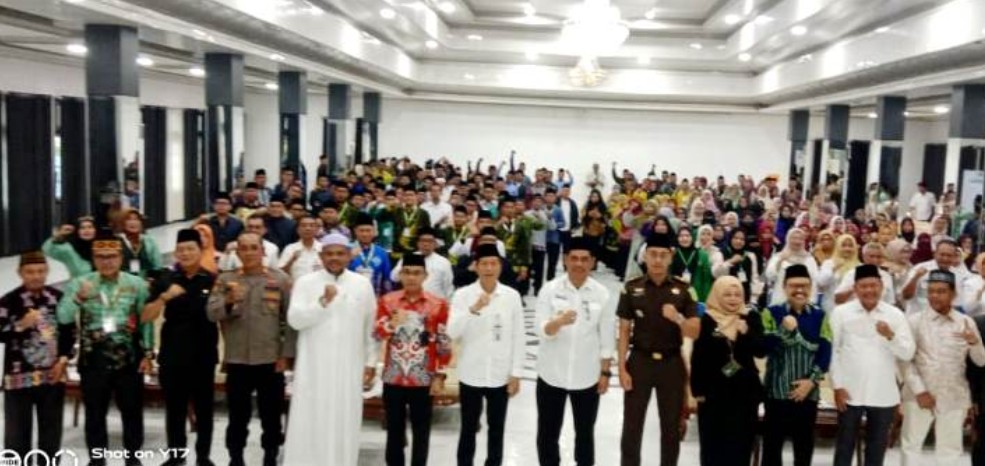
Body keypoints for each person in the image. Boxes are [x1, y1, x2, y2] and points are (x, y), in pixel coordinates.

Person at [57, 233, 154, 466]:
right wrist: (78, 298)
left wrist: (149, 353)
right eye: (101, 257)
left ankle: (133, 459)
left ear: (120, 257)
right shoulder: (81, 283)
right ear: (93, 258)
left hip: (129, 357)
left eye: (111, 256)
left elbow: (146, 321)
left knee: (132, 411)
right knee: (95, 413)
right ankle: (97, 460)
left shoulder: (136, 284)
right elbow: (63, 317)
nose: (106, 261)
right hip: (93, 358)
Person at [284, 233, 378, 466]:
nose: (335, 258)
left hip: (349, 366)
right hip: (313, 367)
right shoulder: (306, 283)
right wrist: (322, 303)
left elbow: (370, 327)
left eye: (340, 253)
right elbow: (295, 320)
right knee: (310, 416)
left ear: (349, 256)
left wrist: (371, 362)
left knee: (345, 416)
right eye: (329, 253)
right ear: (321, 255)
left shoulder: (362, 284)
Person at [207, 232, 296, 466]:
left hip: (270, 360)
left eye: (253, 248)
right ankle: (235, 458)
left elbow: (291, 321)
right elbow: (211, 313)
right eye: (243, 248)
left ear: (263, 251)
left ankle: (270, 456)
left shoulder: (280, 280)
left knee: (271, 416)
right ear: (237, 253)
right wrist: (228, 300)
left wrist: (286, 356)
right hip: (238, 360)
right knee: (237, 416)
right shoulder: (226, 280)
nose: (249, 253)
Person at [617, 232, 701, 466]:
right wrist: (622, 368)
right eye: (653, 254)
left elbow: (695, 331)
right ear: (645, 256)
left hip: (671, 364)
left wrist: (679, 319)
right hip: (639, 361)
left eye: (663, 255)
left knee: (671, 427)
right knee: (632, 425)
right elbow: (624, 330)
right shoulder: (631, 288)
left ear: (671, 257)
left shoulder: (685, 290)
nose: (657, 260)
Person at [140, 229, 218, 466]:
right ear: (175, 252)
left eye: (190, 249)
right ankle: (176, 456)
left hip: (204, 354)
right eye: (181, 249)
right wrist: (164, 297)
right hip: (173, 355)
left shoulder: (212, 279)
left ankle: (203, 457)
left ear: (200, 251)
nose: (185, 253)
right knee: (175, 409)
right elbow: (145, 316)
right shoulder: (166, 279)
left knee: (204, 410)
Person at [534, 237, 614, 466]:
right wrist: (557, 322)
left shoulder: (602, 294)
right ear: (565, 260)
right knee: (547, 432)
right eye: (574, 258)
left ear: (593, 262)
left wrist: (605, 372)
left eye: (584, 259)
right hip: (551, 374)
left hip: (587, 376)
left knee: (585, 433)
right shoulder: (549, 290)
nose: (579, 264)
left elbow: (607, 336)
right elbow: (540, 329)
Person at [830, 264, 916, 466]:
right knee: (844, 447)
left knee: (876, 449)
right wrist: (837, 386)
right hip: (849, 391)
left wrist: (890, 335)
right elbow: (833, 351)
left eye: (874, 285)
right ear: (855, 288)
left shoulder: (895, 314)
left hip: (883, 392)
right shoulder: (841, 312)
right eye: (864, 286)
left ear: (882, 286)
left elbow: (908, 352)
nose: (869, 290)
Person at [448, 244, 525, 466]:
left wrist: (516, 373)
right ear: (476, 266)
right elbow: (452, 331)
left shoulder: (511, 296)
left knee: (497, 428)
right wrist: (473, 309)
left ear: (500, 266)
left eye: (493, 263)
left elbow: (519, 335)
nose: (489, 268)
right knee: (468, 427)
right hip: (471, 372)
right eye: (484, 264)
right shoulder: (463, 295)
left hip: (500, 374)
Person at [900, 269, 985, 466]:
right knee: (911, 446)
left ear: (953, 294)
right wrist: (920, 391)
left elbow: (981, 361)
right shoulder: (915, 321)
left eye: (941, 291)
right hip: (919, 396)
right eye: (931, 291)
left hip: (954, 396)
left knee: (950, 450)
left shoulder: (966, 322)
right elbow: (904, 360)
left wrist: (974, 342)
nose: (935, 296)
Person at [375, 252, 452, 466]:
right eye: (407, 272)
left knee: (421, 430)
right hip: (394, 376)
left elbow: (444, 342)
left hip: (423, 378)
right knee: (394, 430)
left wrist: (440, 375)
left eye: (417, 273)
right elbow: (377, 333)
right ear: (400, 274)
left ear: (425, 276)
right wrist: (392, 324)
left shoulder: (438, 304)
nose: (411, 277)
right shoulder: (388, 301)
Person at [0, 251, 73, 462]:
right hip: (18, 378)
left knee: (51, 435)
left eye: (40, 271)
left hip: (52, 375)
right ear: (20, 273)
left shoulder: (59, 298)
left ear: (47, 271)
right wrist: (21, 325)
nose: (36, 276)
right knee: (16, 436)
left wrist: (63, 360)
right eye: (30, 272)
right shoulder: (8, 301)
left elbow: (69, 333)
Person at [760, 264, 831, 466]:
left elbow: (825, 352)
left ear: (811, 288)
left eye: (804, 286)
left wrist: (810, 382)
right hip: (776, 392)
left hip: (808, 393)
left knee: (804, 447)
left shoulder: (819, 316)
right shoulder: (770, 313)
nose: (800, 290)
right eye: (794, 286)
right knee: (772, 447)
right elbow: (765, 348)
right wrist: (783, 329)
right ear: (784, 287)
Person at [691, 276, 765, 466]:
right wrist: (697, 390)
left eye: (737, 294)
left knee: (741, 446)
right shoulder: (707, 319)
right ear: (717, 295)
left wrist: (747, 332)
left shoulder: (750, 317)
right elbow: (699, 356)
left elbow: (760, 350)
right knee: (713, 446)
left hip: (745, 393)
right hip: (714, 392)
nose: (733, 299)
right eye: (727, 294)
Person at [902, 238, 966, 314]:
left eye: (949, 255)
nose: (945, 258)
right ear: (935, 254)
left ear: (954, 257)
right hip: (918, 317)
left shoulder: (957, 275)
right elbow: (906, 296)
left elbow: (957, 303)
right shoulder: (919, 269)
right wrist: (916, 278)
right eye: (942, 254)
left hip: (942, 318)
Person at [390, 227, 455, 299]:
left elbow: (448, 288)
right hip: (412, 302)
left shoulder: (443, 262)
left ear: (435, 244)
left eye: (429, 241)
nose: (426, 244)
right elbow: (394, 278)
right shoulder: (409, 258)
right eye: (423, 240)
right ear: (418, 243)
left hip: (436, 303)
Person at [765, 228, 819, 306]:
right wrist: (780, 261)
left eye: (800, 238)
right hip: (781, 299)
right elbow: (770, 276)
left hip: (804, 300)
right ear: (788, 239)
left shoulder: (809, 259)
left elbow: (814, 281)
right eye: (794, 238)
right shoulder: (778, 256)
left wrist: (811, 300)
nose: (797, 241)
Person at [833, 242, 896, 306]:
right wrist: (854, 288)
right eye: (871, 256)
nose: (875, 260)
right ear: (864, 257)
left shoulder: (886, 276)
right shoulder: (852, 274)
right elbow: (837, 299)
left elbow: (890, 302)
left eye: (879, 257)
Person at [349, 212, 393, 295]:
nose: (365, 234)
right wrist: (349, 258)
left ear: (374, 232)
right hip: (350, 296)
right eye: (361, 231)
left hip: (375, 297)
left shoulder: (382, 253)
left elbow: (386, 279)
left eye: (368, 230)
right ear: (355, 231)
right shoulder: (347, 250)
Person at [118, 208, 163, 277]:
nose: (133, 222)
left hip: (146, 280)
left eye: (136, 219)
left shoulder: (149, 241)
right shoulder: (117, 241)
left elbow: (157, 266)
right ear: (122, 223)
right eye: (129, 219)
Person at [394, 188, 432, 261]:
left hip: (417, 250)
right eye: (406, 195)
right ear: (403, 197)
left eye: (411, 195)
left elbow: (427, 233)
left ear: (416, 196)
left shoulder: (424, 213)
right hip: (399, 250)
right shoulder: (397, 212)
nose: (408, 197)